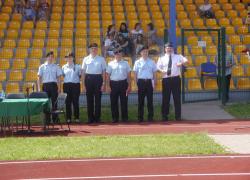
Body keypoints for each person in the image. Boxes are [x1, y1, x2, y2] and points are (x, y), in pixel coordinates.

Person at [157, 42, 188, 121]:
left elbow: (186, 61)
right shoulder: (161, 58)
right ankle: (164, 116)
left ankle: (178, 116)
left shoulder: (178, 56)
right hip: (166, 79)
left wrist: (180, 63)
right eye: (167, 48)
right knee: (165, 98)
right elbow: (157, 67)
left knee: (177, 98)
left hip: (176, 79)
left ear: (173, 49)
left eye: (170, 48)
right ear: (165, 49)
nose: (169, 49)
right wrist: (162, 71)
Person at [82, 43, 106, 123]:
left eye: (95, 48)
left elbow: (103, 72)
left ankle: (97, 118)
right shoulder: (85, 59)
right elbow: (83, 72)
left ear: (97, 49)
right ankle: (90, 118)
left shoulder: (101, 59)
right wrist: (83, 84)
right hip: (88, 79)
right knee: (89, 100)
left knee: (98, 99)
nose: (94, 50)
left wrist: (103, 83)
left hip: (98, 79)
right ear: (89, 49)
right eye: (92, 48)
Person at [106, 49, 131, 123]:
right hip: (113, 84)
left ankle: (125, 118)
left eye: (119, 53)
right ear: (114, 55)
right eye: (116, 54)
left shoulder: (126, 63)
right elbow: (108, 75)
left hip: (123, 83)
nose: (118, 55)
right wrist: (108, 86)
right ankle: (115, 118)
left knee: (124, 102)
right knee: (113, 102)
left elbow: (129, 76)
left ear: (121, 54)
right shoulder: (110, 64)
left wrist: (129, 85)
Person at [133, 46, 157, 122]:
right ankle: (140, 117)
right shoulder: (137, 62)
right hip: (141, 82)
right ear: (140, 53)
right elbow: (135, 74)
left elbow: (154, 73)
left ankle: (150, 117)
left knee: (150, 101)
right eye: (143, 52)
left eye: (146, 51)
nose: (145, 53)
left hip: (149, 82)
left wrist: (155, 83)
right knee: (141, 101)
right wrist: (136, 84)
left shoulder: (152, 62)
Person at [37, 51, 62, 124]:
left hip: (54, 85)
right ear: (46, 57)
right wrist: (39, 88)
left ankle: (55, 119)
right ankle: (47, 120)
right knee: (46, 103)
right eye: (49, 56)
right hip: (45, 86)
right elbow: (39, 77)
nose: (51, 58)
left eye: (52, 56)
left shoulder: (56, 66)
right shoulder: (42, 66)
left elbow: (59, 78)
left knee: (55, 103)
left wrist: (59, 87)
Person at [62, 52, 81, 123]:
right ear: (66, 58)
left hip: (75, 85)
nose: (69, 58)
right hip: (66, 85)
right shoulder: (63, 67)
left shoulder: (78, 66)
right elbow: (64, 76)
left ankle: (76, 117)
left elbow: (80, 76)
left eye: (70, 57)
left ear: (73, 58)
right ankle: (68, 118)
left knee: (75, 102)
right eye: (67, 57)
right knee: (68, 102)